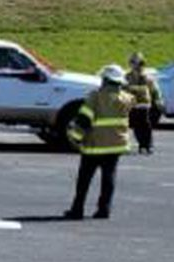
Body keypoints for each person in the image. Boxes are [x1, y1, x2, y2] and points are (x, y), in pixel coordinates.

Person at [64, 64, 135, 220]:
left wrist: (75, 137)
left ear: (105, 80)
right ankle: (104, 210)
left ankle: (77, 210)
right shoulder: (127, 98)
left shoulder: (95, 97)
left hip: (95, 146)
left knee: (84, 179)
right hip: (116, 145)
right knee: (109, 178)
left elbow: (83, 120)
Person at [125, 52, 163, 154]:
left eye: (134, 62)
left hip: (144, 106)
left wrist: (158, 101)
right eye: (131, 62)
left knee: (145, 126)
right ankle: (142, 145)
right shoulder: (127, 77)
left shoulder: (146, 77)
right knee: (136, 127)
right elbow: (123, 89)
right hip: (132, 106)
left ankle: (148, 146)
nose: (132, 64)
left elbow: (155, 90)